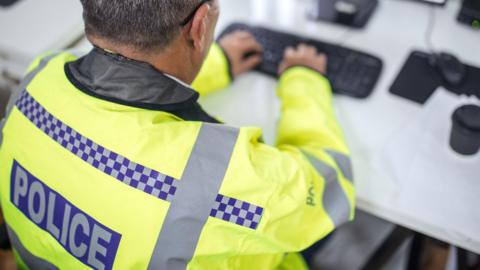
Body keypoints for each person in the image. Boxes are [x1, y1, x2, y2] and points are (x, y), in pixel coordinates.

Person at [0, 0, 355, 269]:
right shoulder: (218, 180)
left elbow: (119, 79)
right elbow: (330, 183)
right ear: (200, 26)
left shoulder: (38, 77)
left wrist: (214, 64)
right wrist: (304, 80)